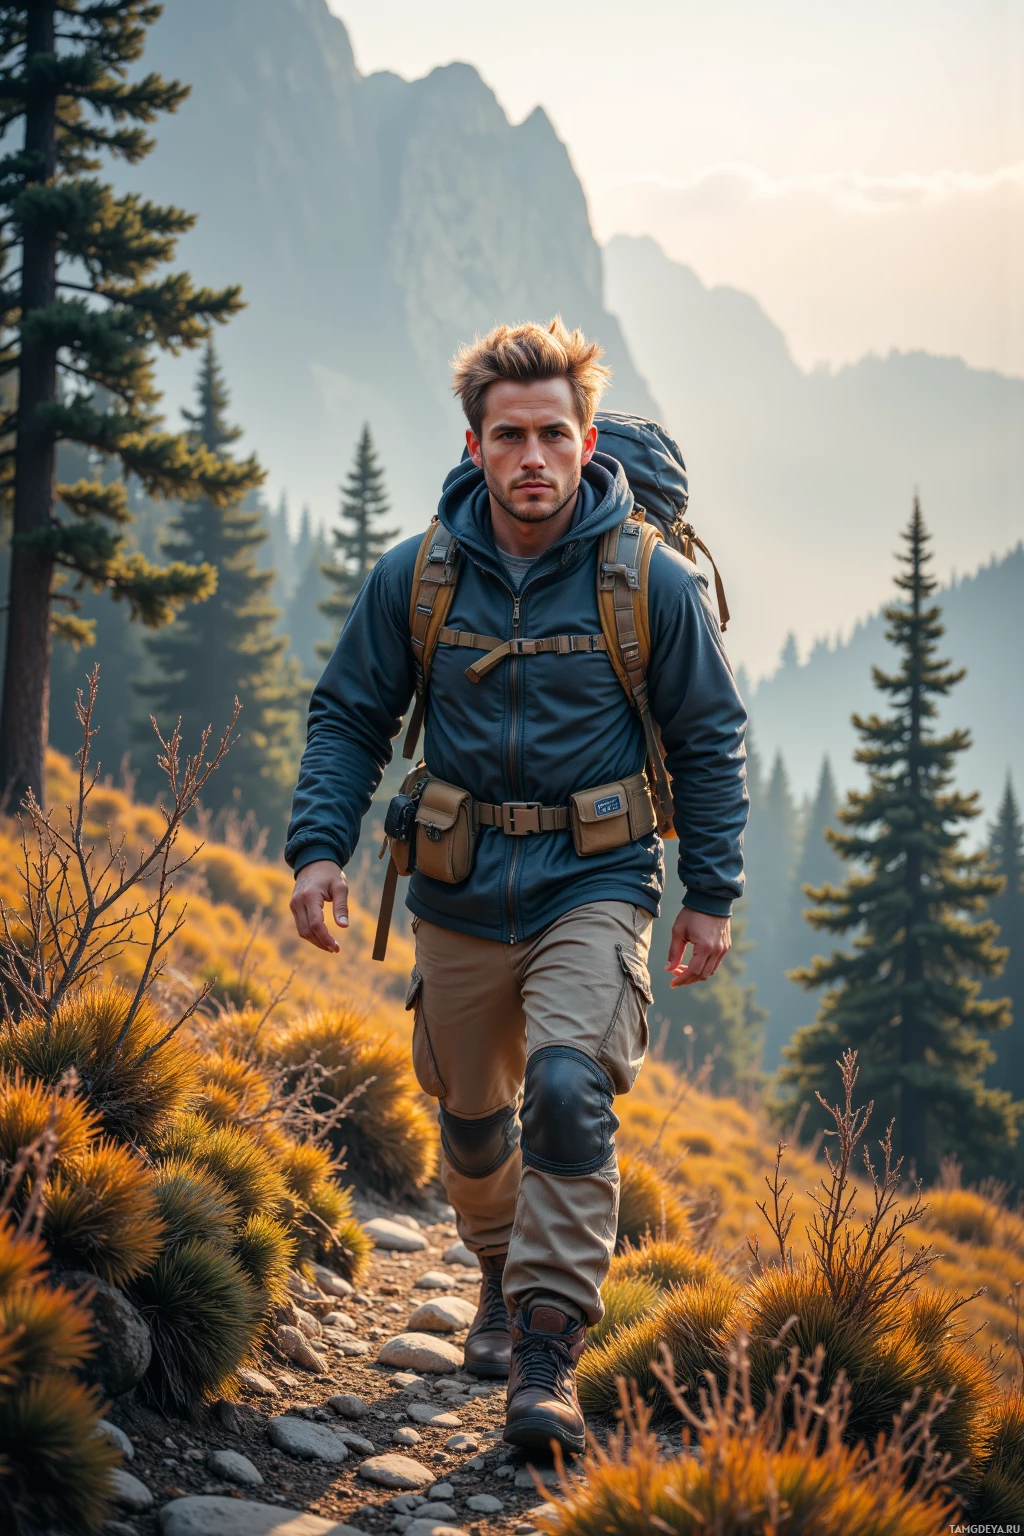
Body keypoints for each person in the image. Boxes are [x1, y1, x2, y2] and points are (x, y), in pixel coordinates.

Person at [286, 318, 747, 1454]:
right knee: (472, 1121)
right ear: (474, 443)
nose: (532, 456)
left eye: (553, 433)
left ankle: (545, 1354)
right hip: (453, 880)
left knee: (567, 1089)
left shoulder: (651, 582)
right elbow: (350, 714)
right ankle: (493, 1274)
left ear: (587, 441)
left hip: (595, 881)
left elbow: (710, 737)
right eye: (509, 435)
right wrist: (315, 850)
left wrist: (711, 893)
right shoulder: (419, 575)